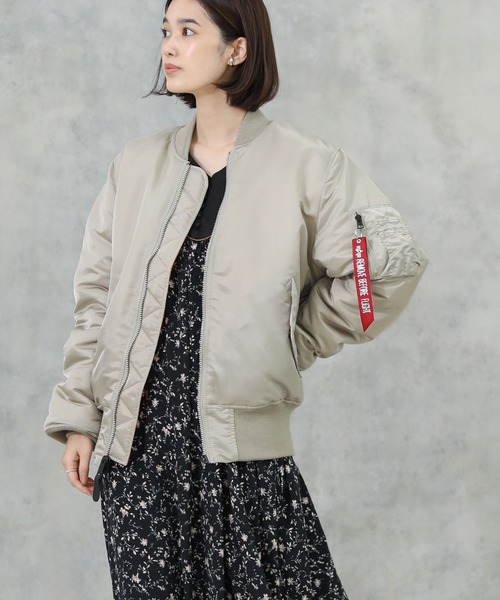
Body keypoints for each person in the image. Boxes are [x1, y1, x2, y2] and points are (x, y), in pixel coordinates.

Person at [44, 0, 428, 598]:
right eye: (166, 31)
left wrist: (293, 339)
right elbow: (96, 301)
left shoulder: (310, 165)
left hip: (245, 463)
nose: (169, 46)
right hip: (137, 466)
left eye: (188, 30)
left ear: (237, 47)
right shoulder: (135, 166)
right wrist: (79, 418)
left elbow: (386, 268)